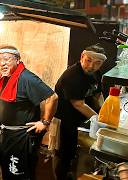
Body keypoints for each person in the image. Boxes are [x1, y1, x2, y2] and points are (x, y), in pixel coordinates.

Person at [0, 45, 58, 179]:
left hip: (21, 136)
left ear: (17, 60)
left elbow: (53, 97)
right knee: (8, 172)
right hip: (8, 134)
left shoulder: (26, 78)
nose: (2, 63)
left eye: (6, 59)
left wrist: (45, 122)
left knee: (18, 173)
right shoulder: (7, 77)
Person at [54, 44, 106, 180]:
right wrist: (99, 119)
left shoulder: (95, 72)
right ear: (82, 56)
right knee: (65, 153)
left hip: (82, 117)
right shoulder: (72, 76)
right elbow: (79, 104)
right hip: (65, 119)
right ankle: (62, 176)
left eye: (97, 63)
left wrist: (104, 111)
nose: (91, 66)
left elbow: (97, 94)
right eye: (88, 60)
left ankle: (73, 171)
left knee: (77, 151)